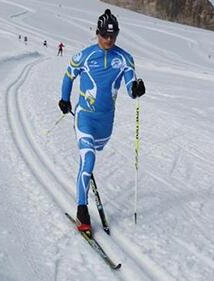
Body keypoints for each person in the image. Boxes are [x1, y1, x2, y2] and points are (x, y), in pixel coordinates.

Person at [58, 9, 145, 237]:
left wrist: (136, 90)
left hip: (105, 124)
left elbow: (129, 87)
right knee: (88, 159)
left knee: (88, 159)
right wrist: (64, 99)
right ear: (97, 33)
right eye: (105, 35)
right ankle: (82, 209)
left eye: (113, 35)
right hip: (84, 116)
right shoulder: (85, 56)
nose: (109, 39)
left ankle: (83, 183)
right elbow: (69, 75)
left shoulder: (125, 59)